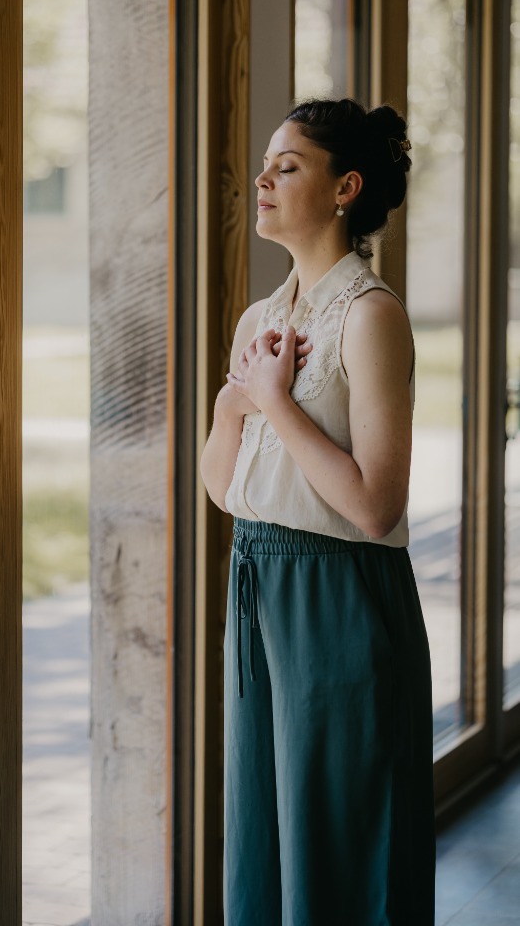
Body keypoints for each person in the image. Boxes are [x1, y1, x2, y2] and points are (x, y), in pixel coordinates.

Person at [200, 98, 435, 926]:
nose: (261, 179)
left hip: (340, 603)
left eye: (287, 165)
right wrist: (235, 407)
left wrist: (274, 400)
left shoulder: (371, 317)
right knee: (268, 836)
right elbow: (226, 490)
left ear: (346, 188)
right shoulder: (261, 320)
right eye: (267, 163)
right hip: (257, 584)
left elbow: (376, 507)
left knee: (342, 842)